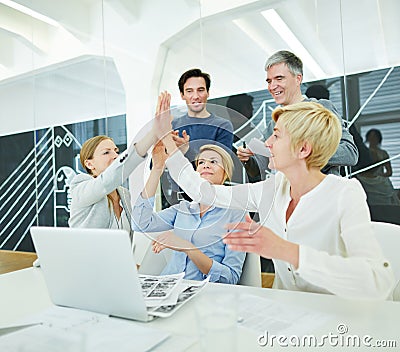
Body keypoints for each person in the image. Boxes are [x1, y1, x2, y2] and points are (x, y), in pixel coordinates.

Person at [157, 94, 394, 299]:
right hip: (285, 313)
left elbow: (377, 281)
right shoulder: (270, 189)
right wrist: (167, 141)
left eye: (277, 136)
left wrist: (285, 250)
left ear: (303, 149)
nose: (267, 143)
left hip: (335, 319)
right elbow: (202, 191)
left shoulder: (345, 194)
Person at [132, 143, 245, 284]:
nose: (206, 165)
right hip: (167, 286)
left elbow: (230, 278)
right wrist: (157, 169)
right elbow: (140, 223)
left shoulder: (236, 215)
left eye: (214, 162)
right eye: (201, 162)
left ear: (225, 174)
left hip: (205, 293)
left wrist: (188, 248)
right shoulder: (183, 209)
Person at [237, 50, 358, 177]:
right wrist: (247, 158)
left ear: (298, 79)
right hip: (292, 194)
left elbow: (350, 153)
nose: (272, 86)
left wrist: (303, 152)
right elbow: (258, 167)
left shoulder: (321, 108)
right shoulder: (276, 121)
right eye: (269, 81)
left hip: (323, 192)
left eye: (279, 78)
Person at [68, 95, 171, 240]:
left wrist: (158, 167)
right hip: (85, 261)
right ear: (89, 164)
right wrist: (153, 133)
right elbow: (107, 180)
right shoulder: (80, 186)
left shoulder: (123, 194)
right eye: (106, 152)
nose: (115, 156)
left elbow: (140, 223)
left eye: (116, 151)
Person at [165, 68, 234, 202]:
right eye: (189, 91)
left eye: (200, 90)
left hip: (211, 197)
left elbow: (219, 166)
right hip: (178, 199)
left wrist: (186, 150)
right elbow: (156, 164)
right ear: (182, 95)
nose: (195, 96)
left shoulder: (222, 126)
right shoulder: (172, 126)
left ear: (208, 92)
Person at [357, 128, 400, 205]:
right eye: (371, 137)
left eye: (375, 137)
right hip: (364, 180)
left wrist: (378, 176)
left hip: (379, 182)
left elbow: (389, 172)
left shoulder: (383, 153)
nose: (373, 139)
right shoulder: (364, 152)